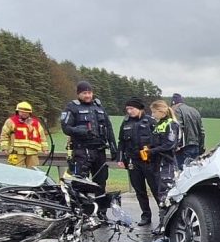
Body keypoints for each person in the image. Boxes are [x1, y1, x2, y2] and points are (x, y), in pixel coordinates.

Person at [61, 81, 118, 204]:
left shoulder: (99, 107)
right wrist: (81, 130)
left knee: (101, 181)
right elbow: (66, 128)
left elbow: (109, 128)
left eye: (89, 92)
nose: (87, 95)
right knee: (80, 182)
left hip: (100, 151)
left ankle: (101, 211)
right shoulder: (72, 107)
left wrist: (114, 148)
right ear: (78, 94)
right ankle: (82, 210)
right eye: (84, 93)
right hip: (82, 151)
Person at [116, 97, 158, 226]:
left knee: (156, 189)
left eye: (132, 108)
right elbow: (121, 142)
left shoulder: (150, 121)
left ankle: (164, 215)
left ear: (139, 108)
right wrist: (120, 158)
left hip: (149, 161)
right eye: (127, 109)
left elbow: (158, 140)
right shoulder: (126, 122)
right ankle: (146, 215)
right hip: (133, 161)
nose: (129, 111)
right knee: (139, 191)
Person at [147, 100, 182, 205]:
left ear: (161, 111)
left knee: (166, 192)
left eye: (154, 112)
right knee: (159, 192)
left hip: (167, 162)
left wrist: (152, 151)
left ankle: (169, 218)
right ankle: (162, 217)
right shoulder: (159, 124)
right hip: (157, 162)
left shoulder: (171, 124)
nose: (152, 115)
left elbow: (169, 144)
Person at [0, 101, 48, 169]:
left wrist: (45, 148)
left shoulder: (36, 123)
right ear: (18, 111)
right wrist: (4, 148)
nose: (24, 113)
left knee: (34, 171)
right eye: (22, 112)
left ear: (30, 113)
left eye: (26, 112)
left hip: (32, 152)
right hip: (15, 151)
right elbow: (4, 135)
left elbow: (42, 137)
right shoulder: (11, 121)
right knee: (14, 171)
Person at [171, 93, 205, 170]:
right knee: (193, 172)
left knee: (181, 174)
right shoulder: (195, 111)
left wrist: (175, 147)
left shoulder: (176, 110)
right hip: (196, 147)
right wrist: (201, 147)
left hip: (183, 149)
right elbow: (202, 132)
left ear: (174, 103)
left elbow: (178, 129)